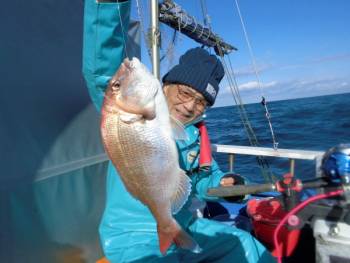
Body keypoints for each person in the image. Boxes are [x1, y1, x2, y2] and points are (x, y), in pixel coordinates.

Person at [83, 0, 275, 262]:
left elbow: (206, 178)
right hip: (132, 234)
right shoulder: (125, 112)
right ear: (164, 86)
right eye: (185, 93)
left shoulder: (195, 134)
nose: (189, 106)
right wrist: (107, 7)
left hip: (185, 225)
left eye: (201, 102)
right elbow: (103, 74)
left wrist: (226, 182)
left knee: (246, 245)